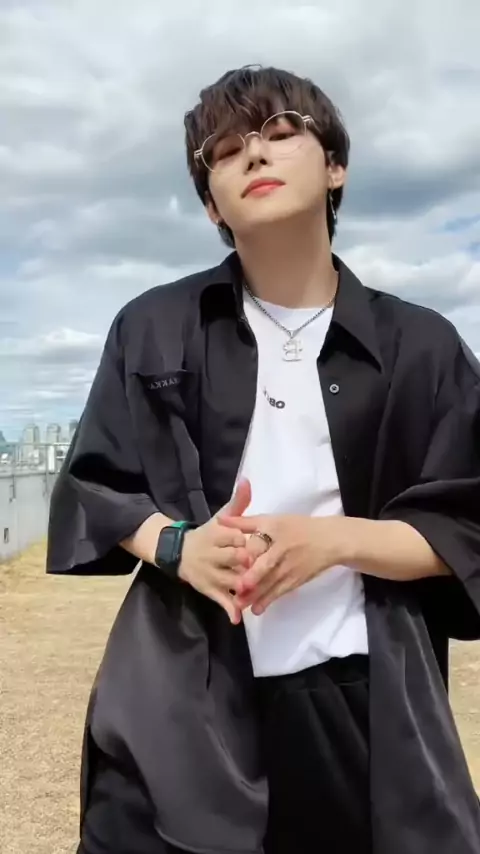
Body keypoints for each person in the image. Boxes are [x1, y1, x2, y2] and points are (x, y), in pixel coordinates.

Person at [47, 65, 480, 854]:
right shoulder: (152, 326)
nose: (253, 153)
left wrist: (335, 541)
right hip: (181, 694)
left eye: (281, 132)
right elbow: (99, 486)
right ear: (211, 204)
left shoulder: (423, 346)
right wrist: (180, 547)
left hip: (362, 702)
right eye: (224, 149)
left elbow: (467, 523)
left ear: (335, 166)